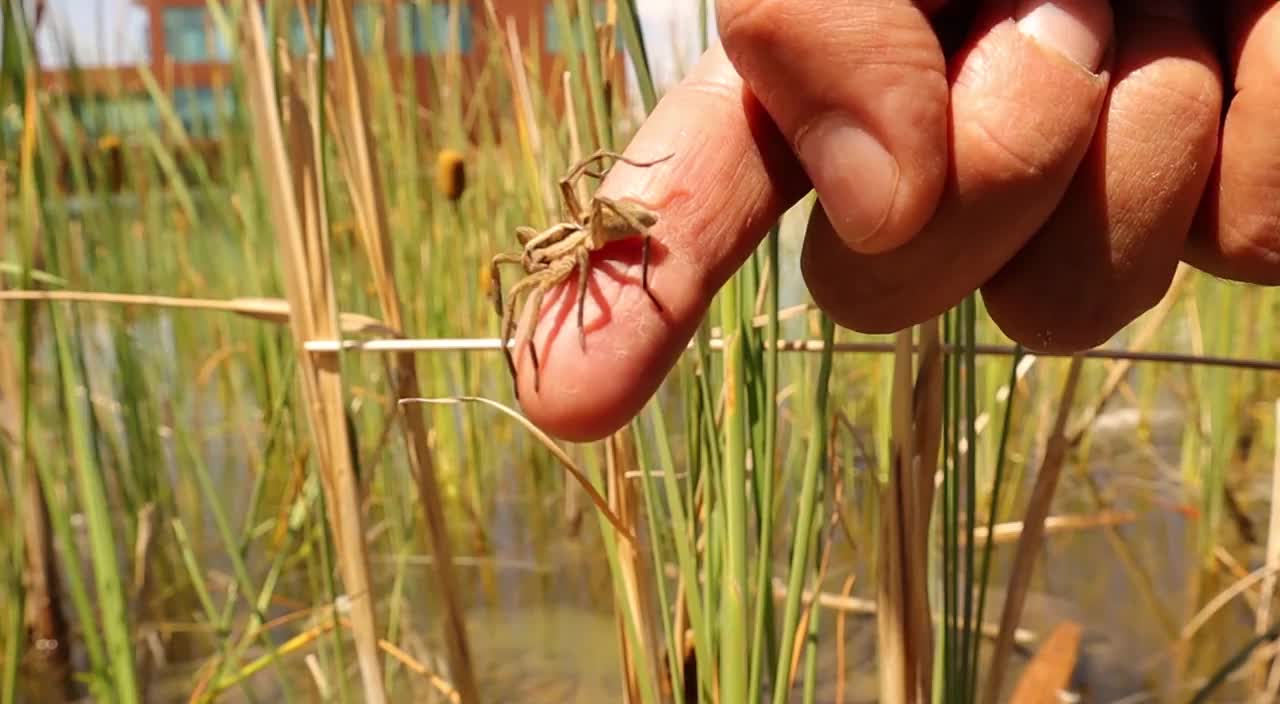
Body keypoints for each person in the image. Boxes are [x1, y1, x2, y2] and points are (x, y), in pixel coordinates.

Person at [513, 0, 1279, 443]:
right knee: (1050, 297)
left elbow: (578, 177)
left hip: (633, 212)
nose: (540, 254)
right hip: (613, 232)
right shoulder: (575, 252)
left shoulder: (607, 220)